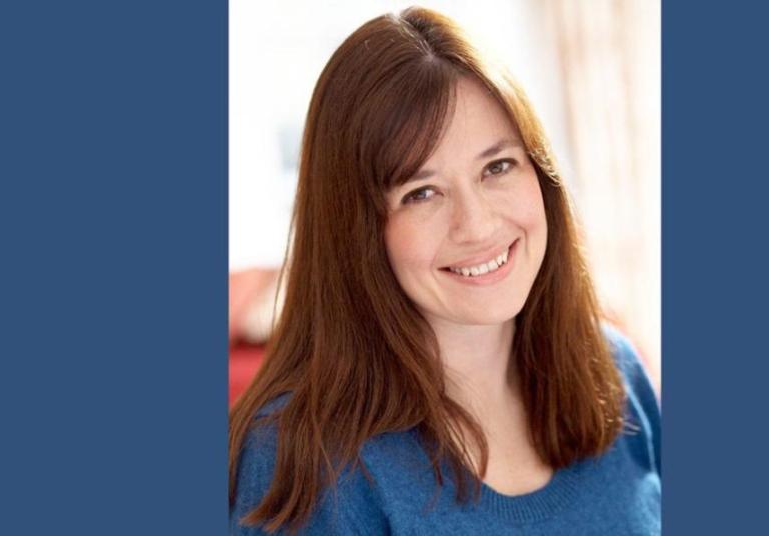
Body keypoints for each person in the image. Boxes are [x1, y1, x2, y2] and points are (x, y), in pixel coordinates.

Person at [228, 6, 661, 535]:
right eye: (422, 193)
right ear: (356, 230)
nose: (477, 226)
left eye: (497, 166)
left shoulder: (614, 371)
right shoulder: (308, 461)